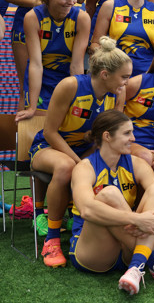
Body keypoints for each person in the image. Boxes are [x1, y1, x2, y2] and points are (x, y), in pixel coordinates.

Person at [29, 36, 132, 268]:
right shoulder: (71, 86)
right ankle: (52, 238)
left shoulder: (117, 94)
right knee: (66, 167)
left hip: (86, 148)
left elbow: (110, 135)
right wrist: (79, 163)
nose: (127, 83)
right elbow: (50, 132)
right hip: (48, 147)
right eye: (124, 77)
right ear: (105, 74)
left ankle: (100, 228)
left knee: (122, 162)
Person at [69, 110, 154, 295]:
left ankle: (136, 268)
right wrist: (137, 219)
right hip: (93, 251)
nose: (133, 138)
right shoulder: (84, 167)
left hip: (128, 247)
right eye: (127, 133)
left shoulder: (135, 163)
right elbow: (87, 210)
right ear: (107, 136)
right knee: (109, 195)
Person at [15, 0, 89, 122]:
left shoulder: (82, 18)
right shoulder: (32, 17)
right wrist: (32, 107)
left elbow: (76, 65)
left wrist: (79, 100)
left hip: (67, 78)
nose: (71, 2)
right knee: (37, 122)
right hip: (41, 78)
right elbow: (35, 64)